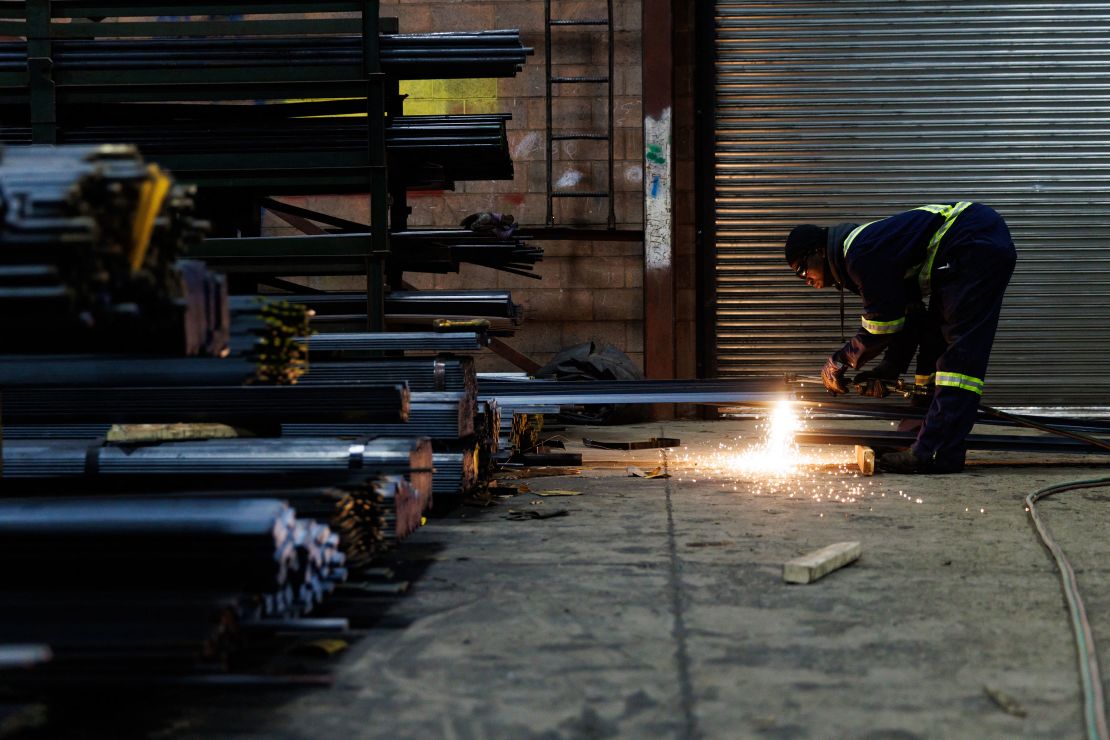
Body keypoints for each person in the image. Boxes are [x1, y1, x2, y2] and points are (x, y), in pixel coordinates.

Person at [784, 202, 1017, 474]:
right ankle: (916, 438)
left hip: (973, 243)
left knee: (958, 361)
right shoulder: (862, 257)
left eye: (802, 269)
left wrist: (840, 360)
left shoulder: (859, 254)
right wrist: (888, 369)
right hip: (962, 249)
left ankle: (935, 452)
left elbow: (882, 325)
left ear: (819, 252)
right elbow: (910, 318)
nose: (805, 279)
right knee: (932, 343)